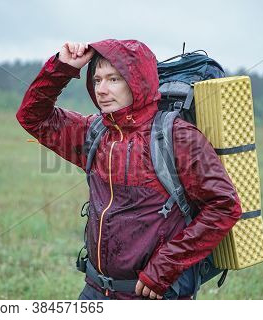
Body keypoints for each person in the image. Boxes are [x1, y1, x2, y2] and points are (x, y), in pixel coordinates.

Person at [16, 39, 242, 300]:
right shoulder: (96, 132)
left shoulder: (177, 137)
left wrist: (164, 268)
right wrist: (62, 68)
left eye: (113, 79)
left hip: (154, 294)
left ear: (137, 82)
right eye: (97, 79)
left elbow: (224, 205)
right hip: (96, 290)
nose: (101, 89)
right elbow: (33, 117)